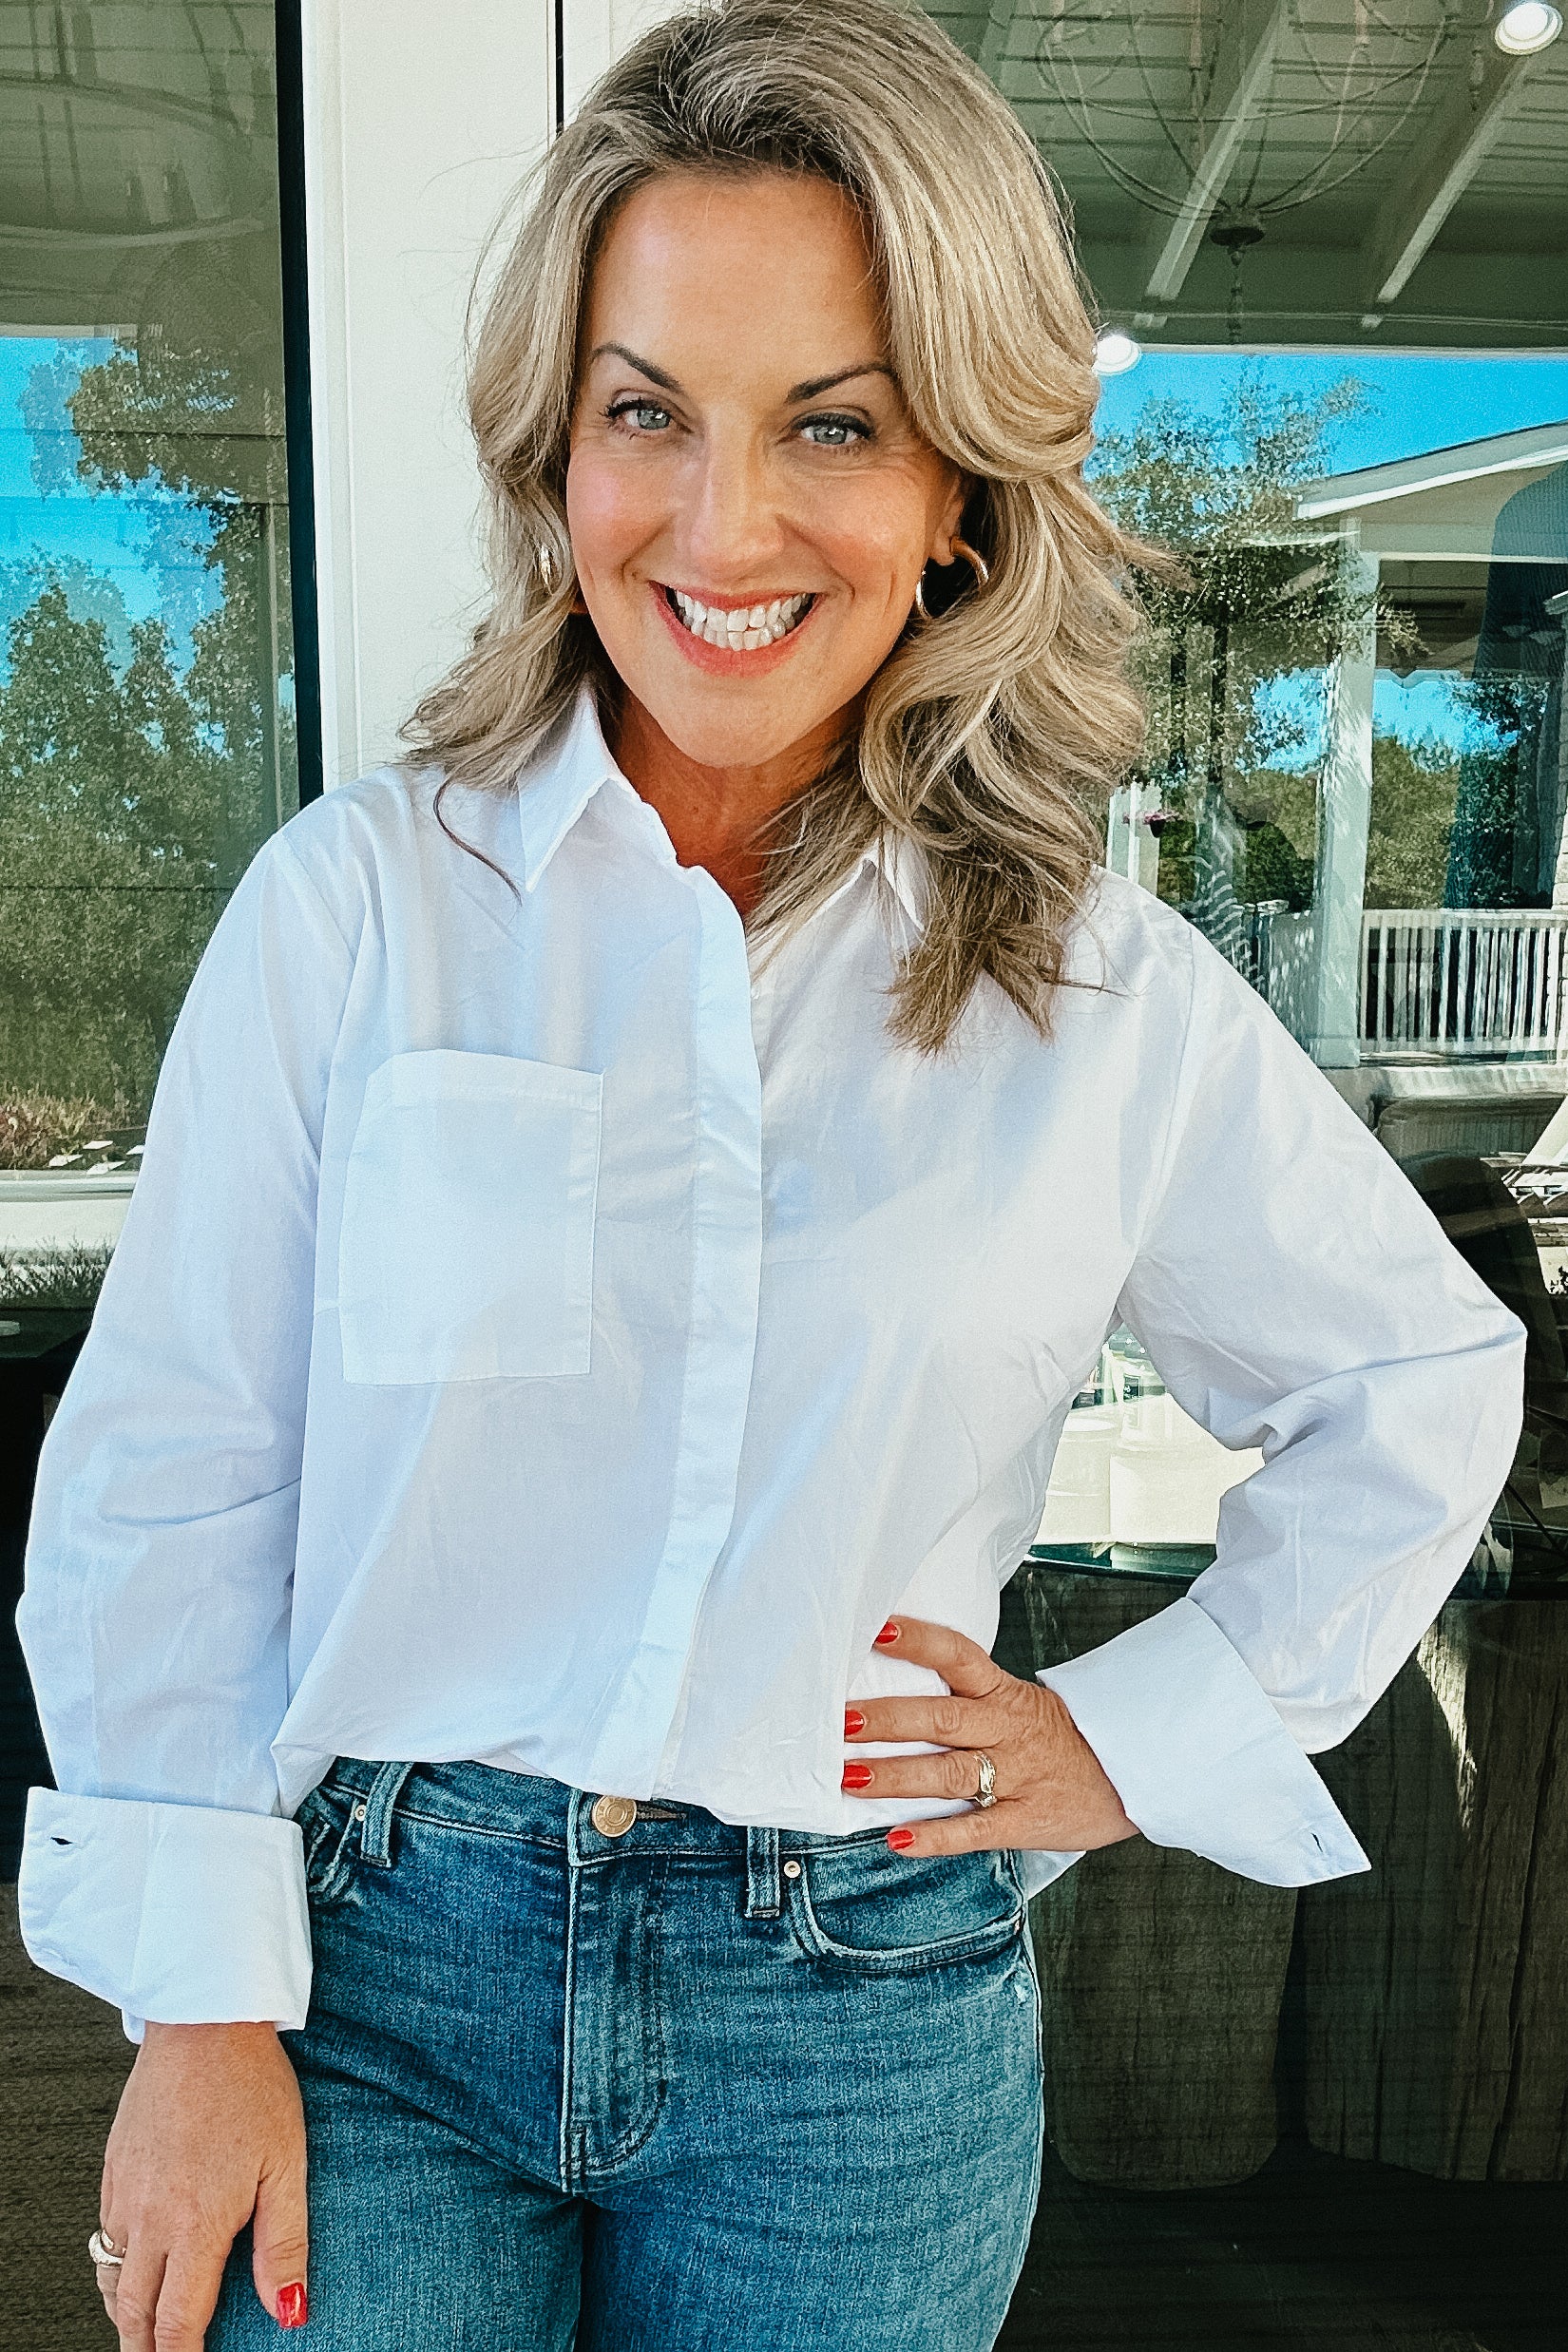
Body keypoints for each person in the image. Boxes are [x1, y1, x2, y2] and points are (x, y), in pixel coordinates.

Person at [16, 4, 1525, 2347]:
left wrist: (1137, 1734)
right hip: (372, 1975)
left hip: (858, 2014)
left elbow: (1416, 1380)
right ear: (557, 450)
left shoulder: (1094, 988)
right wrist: (193, 2003)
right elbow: (175, 1469)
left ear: (961, 492)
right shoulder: (365, 908)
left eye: (834, 422)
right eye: (649, 412)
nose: (723, 527)